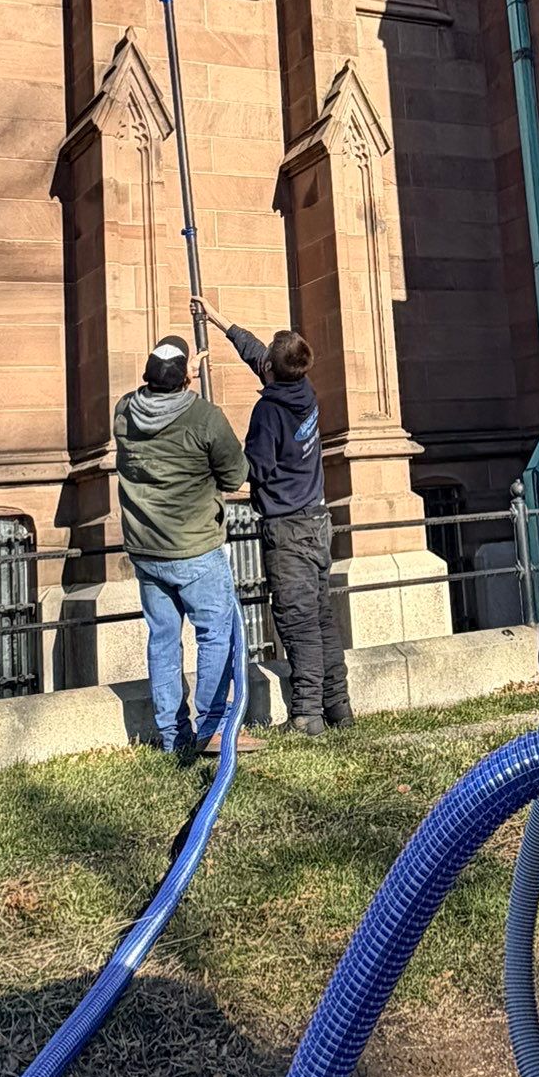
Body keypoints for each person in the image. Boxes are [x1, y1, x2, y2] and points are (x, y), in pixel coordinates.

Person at [197, 300, 352, 736]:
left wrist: (216, 451)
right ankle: (339, 706)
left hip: (287, 528)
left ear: (273, 370)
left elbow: (253, 470)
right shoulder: (303, 392)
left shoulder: (268, 413)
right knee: (321, 616)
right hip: (317, 521)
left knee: (297, 620)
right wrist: (219, 319)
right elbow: (257, 355)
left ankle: (306, 715)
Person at [112, 335, 248, 759]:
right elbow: (234, 476)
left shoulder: (123, 413)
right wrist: (192, 386)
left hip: (147, 552)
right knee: (214, 636)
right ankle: (211, 728)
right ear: (186, 377)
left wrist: (183, 373)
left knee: (164, 640)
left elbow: (155, 399)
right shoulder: (205, 417)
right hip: (195, 551)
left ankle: (174, 737)